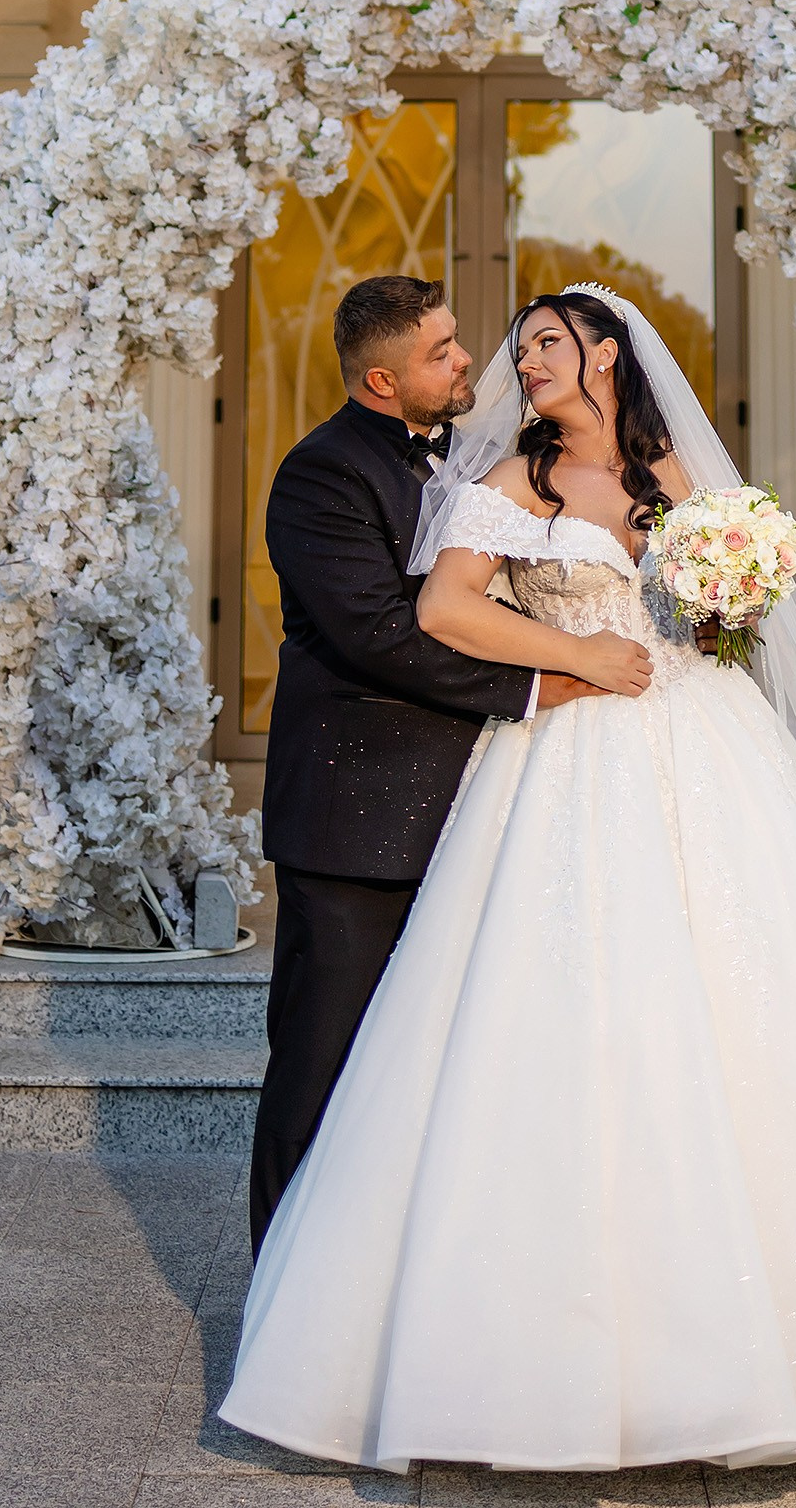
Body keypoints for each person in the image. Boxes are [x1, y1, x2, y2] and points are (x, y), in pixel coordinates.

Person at [223, 283, 796, 1472]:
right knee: (542, 1025)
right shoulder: (507, 482)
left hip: (703, 751)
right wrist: (574, 660)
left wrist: (727, 595)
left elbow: (718, 620)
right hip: (565, 757)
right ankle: (339, 1317)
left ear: (606, 353)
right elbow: (437, 610)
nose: (508, 364)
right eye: (500, 347)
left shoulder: (672, 480)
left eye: (540, 343)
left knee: (752, 1007)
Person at [247, 272, 598, 1251]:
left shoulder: (485, 458)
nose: (465, 361)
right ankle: (280, 1288)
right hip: (357, 815)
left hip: (477, 803)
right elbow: (375, 634)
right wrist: (537, 685)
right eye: (441, 354)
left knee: (428, 1073)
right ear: (379, 384)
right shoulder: (319, 477)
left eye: (454, 341)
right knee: (320, 1067)